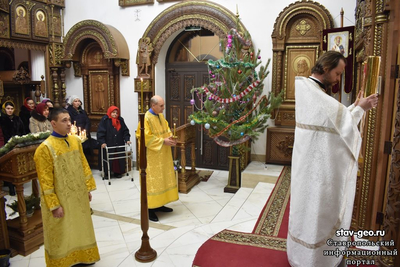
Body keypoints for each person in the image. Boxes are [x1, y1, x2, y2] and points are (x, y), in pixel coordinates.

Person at [287, 51, 379, 267]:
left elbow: (332, 122)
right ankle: (313, 260)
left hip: (308, 166)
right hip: (316, 170)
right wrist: (361, 109)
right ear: (326, 68)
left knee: (309, 210)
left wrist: (355, 108)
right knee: (316, 210)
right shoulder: (314, 92)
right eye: (337, 74)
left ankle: (303, 255)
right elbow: (340, 125)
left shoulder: (310, 88)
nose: (338, 79)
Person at [33, 108, 100, 267]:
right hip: (61, 199)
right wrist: (54, 205)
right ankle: (63, 261)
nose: (69, 124)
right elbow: (45, 181)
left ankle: (83, 256)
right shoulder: (45, 149)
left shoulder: (75, 141)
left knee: (80, 226)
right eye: (64, 120)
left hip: (77, 196)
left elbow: (83, 165)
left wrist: (87, 189)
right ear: (53, 123)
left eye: (69, 120)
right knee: (63, 231)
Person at [136, 95, 179, 222]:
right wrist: (163, 141)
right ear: (153, 105)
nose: (163, 108)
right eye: (161, 106)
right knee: (152, 182)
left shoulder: (160, 116)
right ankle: (149, 209)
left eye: (163, 105)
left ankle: (160, 204)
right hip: (152, 157)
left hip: (163, 155)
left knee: (163, 179)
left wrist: (171, 138)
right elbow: (145, 137)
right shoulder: (145, 119)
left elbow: (166, 129)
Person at [97, 106, 131, 178]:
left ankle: (117, 172)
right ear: (110, 112)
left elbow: (125, 131)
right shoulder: (105, 120)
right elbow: (100, 132)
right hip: (108, 143)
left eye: (116, 113)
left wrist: (127, 139)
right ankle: (106, 173)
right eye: (113, 112)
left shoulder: (120, 120)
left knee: (118, 158)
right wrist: (102, 142)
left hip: (119, 142)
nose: (115, 114)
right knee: (107, 158)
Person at [0, 101, 25, 196]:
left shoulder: (17, 119)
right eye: (8, 109)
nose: (10, 111)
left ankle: (18, 184)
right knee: (10, 167)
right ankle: (11, 187)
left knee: (18, 166)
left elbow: (22, 131)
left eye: (11, 109)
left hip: (18, 145)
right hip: (6, 146)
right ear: (4, 109)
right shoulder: (2, 119)